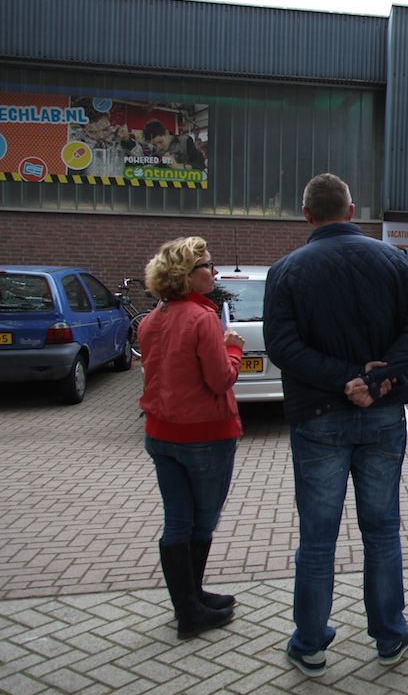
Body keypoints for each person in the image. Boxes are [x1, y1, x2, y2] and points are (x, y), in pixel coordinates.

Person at [263, 173, 408, 677]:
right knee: (382, 529)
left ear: (306, 215)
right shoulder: (393, 260)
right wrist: (379, 376)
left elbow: (282, 347)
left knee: (318, 536)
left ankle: (310, 644)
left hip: (319, 417)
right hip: (382, 414)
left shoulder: (286, 270)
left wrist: (345, 380)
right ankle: (390, 635)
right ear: (351, 210)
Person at [138, 236, 244, 640]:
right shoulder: (202, 319)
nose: (213, 272)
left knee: (177, 520)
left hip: (160, 434)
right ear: (186, 274)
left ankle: (191, 601)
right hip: (205, 436)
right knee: (202, 521)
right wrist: (233, 350)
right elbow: (220, 380)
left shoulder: (152, 319)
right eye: (207, 266)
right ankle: (190, 609)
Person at [142, 119, 207, 170]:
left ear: (166, 133)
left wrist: (178, 166)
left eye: (160, 142)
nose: (158, 147)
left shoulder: (185, 141)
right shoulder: (155, 151)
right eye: (154, 145)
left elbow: (200, 166)